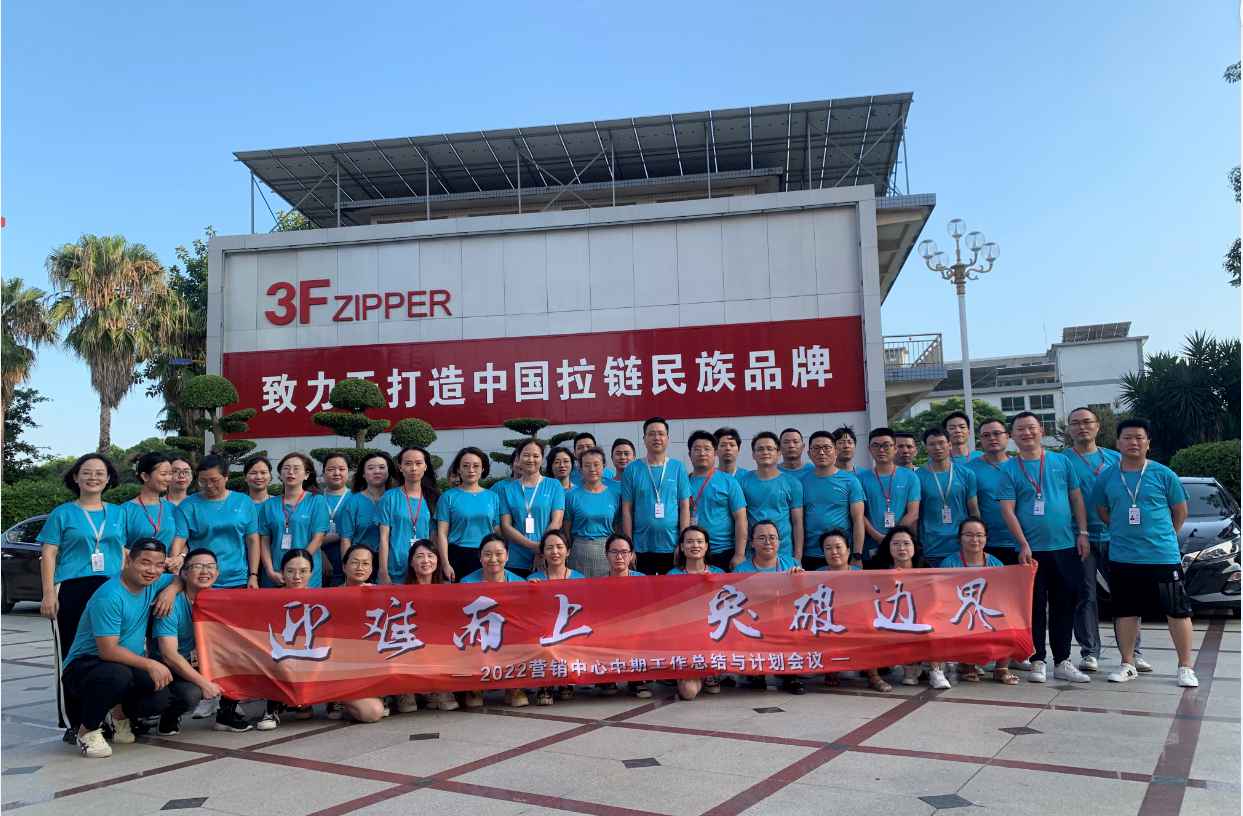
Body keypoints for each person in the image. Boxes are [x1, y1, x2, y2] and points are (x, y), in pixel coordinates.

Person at [39, 454, 139, 737]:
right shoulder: (63, 513)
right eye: (87, 472)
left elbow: (123, 551)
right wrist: (48, 592)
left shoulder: (118, 513)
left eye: (99, 473)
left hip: (110, 589)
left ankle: (105, 716)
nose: (93, 477)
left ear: (108, 479)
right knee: (72, 654)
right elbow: (49, 553)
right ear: (75, 477)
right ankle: (74, 722)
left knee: (112, 651)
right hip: (72, 588)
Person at [1093, 419, 1198, 688]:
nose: (1133, 442)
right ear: (1118, 443)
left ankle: (1185, 667)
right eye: (1127, 437)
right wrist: (1122, 530)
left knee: (1177, 610)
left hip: (1162, 556)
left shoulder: (1164, 474)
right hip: (1123, 556)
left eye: (1139, 437)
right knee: (1125, 611)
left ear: (1148, 443)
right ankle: (1128, 663)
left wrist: (1165, 536)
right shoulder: (1106, 477)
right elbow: (1102, 510)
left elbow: (1180, 511)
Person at [59, 539, 182, 758]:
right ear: (128, 561)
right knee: (118, 675)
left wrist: (170, 591)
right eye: (145, 562)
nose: (152, 570)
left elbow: (179, 578)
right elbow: (108, 651)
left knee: (161, 696)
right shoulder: (109, 596)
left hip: (124, 664)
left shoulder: (152, 583)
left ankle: (118, 716)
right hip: (85, 666)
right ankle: (86, 731)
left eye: (159, 565)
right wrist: (150, 664)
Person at [997, 411, 1091, 685]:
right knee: (1034, 607)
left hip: (1065, 546)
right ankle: (1037, 659)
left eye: (1031, 428)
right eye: (1020, 429)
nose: (1026, 433)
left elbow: (1076, 498)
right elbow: (1007, 510)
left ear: (1042, 430)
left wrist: (1083, 532)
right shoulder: (1009, 469)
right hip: (1031, 551)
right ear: (1012, 436)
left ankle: (1062, 661)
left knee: (1064, 605)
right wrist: (1022, 543)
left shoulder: (1061, 461)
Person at [1065, 406, 1138, 673]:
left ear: (1098, 426)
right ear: (1069, 429)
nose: (1082, 427)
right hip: (1079, 537)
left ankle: (1133, 652)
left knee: (1125, 594)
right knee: (1085, 594)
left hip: (1115, 536)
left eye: (1087, 422)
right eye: (1075, 423)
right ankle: (1089, 652)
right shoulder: (1062, 461)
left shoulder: (1115, 458)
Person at [152, 548, 235, 733]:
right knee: (190, 694)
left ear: (217, 572)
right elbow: (169, 655)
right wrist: (204, 683)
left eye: (210, 566)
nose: (205, 571)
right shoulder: (170, 604)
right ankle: (169, 715)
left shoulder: (221, 601)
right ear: (184, 573)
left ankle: (227, 714)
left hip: (205, 660)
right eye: (197, 566)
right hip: (173, 668)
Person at [870, 526, 951, 690]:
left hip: (922, 617)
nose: (902, 548)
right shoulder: (879, 572)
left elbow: (936, 601)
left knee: (933, 624)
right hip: (891, 619)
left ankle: (935, 670)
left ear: (914, 547)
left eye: (906, 543)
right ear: (888, 547)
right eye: (896, 544)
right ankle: (910, 666)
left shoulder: (926, 570)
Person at [939, 518, 1018, 685]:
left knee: (1012, 622)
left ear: (986, 538)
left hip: (988, 612)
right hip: (959, 614)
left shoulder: (996, 563)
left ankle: (1001, 668)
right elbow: (942, 596)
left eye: (979, 535)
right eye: (969, 535)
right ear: (959, 538)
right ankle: (967, 664)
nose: (974, 540)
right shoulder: (949, 563)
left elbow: (1004, 594)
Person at [458, 534, 528, 708]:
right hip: (480, 635)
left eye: (499, 554)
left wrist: (536, 589)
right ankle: (475, 688)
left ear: (507, 556)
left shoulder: (520, 583)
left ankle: (514, 687)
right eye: (488, 554)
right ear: (480, 557)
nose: (493, 559)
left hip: (509, 635)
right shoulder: (467, 583)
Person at [818, 530, 892, 692]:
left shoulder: (861, 575)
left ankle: (873, 676)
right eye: (828, 548)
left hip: (857, 621)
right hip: (829, 622)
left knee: (869, 629)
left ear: (848, 550)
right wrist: (796, 575)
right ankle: (831, 670)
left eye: (838, 547)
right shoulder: (815, 575)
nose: (834, 552)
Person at [178, 455, 261, 591]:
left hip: (237, 578)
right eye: (203, 481)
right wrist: (177, 576)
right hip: (200, 579)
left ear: (226, 476)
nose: (209, 485)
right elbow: (179, 542)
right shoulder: (188, 505)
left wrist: (253, 575)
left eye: (214, 480)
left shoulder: (244, 502)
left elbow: (252, 540)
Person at [621, 417, 691, 576]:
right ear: (644, 438)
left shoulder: (678, 467)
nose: (656, 438)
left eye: (661, 434)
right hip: (641, 547)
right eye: (651, 434)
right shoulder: (632, 469)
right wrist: (629, 547)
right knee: (643, 589)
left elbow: (684, 508)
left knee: (672, 589)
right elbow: (627, 510)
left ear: (667, 438)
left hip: (672, 546)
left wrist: (683, 543)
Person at [398, 540, 459, 713]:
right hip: (410, 642)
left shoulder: (448, 589)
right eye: (420, 556)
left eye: (430, 556)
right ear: (411, 562)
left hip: (438, 643)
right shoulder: (400, 591)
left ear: (438, 560)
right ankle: (405, 691)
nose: (426, 561)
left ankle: (439, 689)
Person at [527, 529, 585, 705]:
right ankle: (545, 684)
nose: (555, 552)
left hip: (571, 630)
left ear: (568, 551)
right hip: (543, 631)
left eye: (560, 547)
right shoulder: (533, 579)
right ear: (543, 553)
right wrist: (529, 590)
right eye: (549, 548)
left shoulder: (580, 579)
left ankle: (566, 680)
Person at [668, 525, 725, 700]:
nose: (695, 545)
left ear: (706, 546)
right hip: (684, 641)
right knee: (688, 692)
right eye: (690, 541)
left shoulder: (719, 574)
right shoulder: (671, 576)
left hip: (712, 638)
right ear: (682, 547)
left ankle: (711, 673)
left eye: (700, 541)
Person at [258, 453, 330, 588]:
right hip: (276, 573)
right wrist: (269, 570)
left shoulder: (317, 501)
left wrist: (298, 567)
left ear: (306, 475)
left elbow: (318, 539)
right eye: (286, 468)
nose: (290, 472)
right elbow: (264, 541)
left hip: (305, 573)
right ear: (280, 474)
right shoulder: (269, 505)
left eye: (296, 469)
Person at [497, 439, 565, 577]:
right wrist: (535, 547)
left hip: (548, 556)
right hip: (516, 558)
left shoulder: (554, 485)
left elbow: (556, 522)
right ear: (518, 458)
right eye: (526, 455)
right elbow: (506, 526)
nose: (531, 459)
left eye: (536, 456)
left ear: (542, 458)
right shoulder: (508, 489)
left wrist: (541, 551)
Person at [800, 431, 865, 571]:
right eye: (816, 448)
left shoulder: (851, 481)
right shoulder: (802, 482)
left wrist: (857, 555)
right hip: (810, 554)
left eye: (826, 447)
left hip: (841, 554)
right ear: (809, 453)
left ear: (836, 451)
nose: (821, 452)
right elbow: (798, 521)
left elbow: (858, 520)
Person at [436, 448, 502, 582]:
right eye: (465, 466)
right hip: (457, 555)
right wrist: (445, 563)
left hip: (487, 555)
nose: (471, 470)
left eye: (476, 466)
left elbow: (497, 530)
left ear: (483, 469)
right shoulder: (448, 497)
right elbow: (442, 533)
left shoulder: (492, 497)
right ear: (458, 469)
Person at [916, 428, 980, 566]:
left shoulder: (966, 474)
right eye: (932, 444)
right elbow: (916, 515)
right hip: (931, 547)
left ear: (950, 445)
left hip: (961, 546)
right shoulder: (918, 476)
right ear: (926, 447)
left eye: (941, 443)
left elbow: (974, 511)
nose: (937, 448)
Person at [738, 432, 805, 564]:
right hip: (753, 552)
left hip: (784, 552)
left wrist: (797, 557)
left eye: (770, 448)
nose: (765, 452)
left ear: (778, 453)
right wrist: (740, 553)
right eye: (760, 449)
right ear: (753, 454)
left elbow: (797, 522)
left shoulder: (792, 483)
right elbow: (740, 520)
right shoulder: (742, 482)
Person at [686, 431, 748, 571]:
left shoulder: (729, 481)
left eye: (707, 449)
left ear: (715, 453)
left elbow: (741, 519)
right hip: (693, 552)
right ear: (690, 454)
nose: (702, 453)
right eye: (697, 449)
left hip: (723, 552)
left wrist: (739, 554)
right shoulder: (684, 481)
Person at [378, 446, 439, 585]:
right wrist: (383, 571)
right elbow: (383, 538)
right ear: (400, 467)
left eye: (418, 463)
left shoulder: (433, 498)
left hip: (425, 567)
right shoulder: (389, 497)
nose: (413, 468)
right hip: (396, 566)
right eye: (408, 463)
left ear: (425, 467)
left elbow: (435, 536)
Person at [857, 428, 921, 560]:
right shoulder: (860, 478)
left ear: (895, 448)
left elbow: (913, 513)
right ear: (869, 449)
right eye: (876, 445)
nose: (881, 450)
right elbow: (859, 515)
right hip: (872, 546)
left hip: (902, 546)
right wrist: (878, 537)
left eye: (886, 445)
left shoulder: (910, 477)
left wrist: (893, 537)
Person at [600, 533, 650, 698]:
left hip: (637, 630)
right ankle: (608, 677)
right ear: (606, 554)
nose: (619, 557)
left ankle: (637, 679)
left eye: (624, 552)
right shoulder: (598, 584)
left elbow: (651, 611)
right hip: (609, 632)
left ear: (632, 555)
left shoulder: (643, 580)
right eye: (614, 552)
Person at [966, 419, 1021, 565]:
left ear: (1007, 436)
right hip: (987, 543)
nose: (992, 438)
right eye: (986, 435)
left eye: (997, 433)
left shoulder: (1019, 465)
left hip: (1022, 541)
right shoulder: (969, 470)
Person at [125, 452, 188, 572]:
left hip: (166, 575)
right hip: (136, 575)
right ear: (145, 476)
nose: (168, 478)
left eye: (170, 474)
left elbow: (182, 542)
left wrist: (181, 557)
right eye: (163, 474)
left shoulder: (173, 509)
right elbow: (118, 547)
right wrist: (155, 560)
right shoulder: (125, 510)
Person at [564, 447, 620, 577]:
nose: (592, 469)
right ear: (580, 469)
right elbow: (567, 528)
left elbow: (618, 525)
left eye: (596, 464)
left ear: (604, 466)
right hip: (579, 549)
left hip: (607, 549)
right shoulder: (571, 495)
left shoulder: (615, 494)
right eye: (587, 465)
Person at [340, 451, 399, 560]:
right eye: (371, 468)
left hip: (393, 561)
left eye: (382, 467)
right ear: (363, 474)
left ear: (389, 471)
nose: (377, 471)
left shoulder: (397, 499)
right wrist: (347, 564)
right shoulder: (353, 502)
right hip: (361, 561)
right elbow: (346, 539)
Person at [319, 454, 352, 586]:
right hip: (319, 562)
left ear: (348, 472)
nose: (337, 473)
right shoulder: (314, 498)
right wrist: (320, 554)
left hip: (350, 564)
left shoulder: (356, 498)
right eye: (331, 469)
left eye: (341, 469)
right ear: (323, 473)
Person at [732, 520, 803, 574]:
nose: (767, 542)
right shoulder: (740, 571)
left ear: (779, 542)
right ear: (752, 543)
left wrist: (798, 578)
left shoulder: (793, 565)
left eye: (772, 538)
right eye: (761, 538)